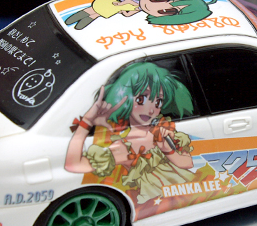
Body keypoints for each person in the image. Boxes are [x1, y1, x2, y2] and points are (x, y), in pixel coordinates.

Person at [65, 62, 195, 204]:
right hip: (159, 204)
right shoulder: (123, 146)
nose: (151, 109)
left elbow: (187, 163)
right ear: (124, 98)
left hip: (191, 195)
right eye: (141, 99)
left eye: (158, 102)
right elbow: (74, 165)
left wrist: (168, 150)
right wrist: (87, 121)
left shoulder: (163, 129)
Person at [65, 0, 217, 30]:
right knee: (95, 9)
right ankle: (79, 20)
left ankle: (82, 20)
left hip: (113, 9)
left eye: (167, 12)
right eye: (159, 0)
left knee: (96, 12)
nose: (154, 6)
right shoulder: (132, 0)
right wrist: (123, 5)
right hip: (113, 4)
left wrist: (123, 10)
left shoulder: (135, 8)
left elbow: (127, 14)